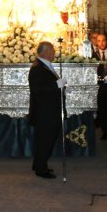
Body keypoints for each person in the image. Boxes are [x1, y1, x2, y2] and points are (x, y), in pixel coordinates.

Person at [28, 41, 65, 179]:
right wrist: (56, 84)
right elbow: (38, 89)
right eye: (52, 50)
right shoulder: (38, 68)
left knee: (46, 140)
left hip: (49, 111)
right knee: (45, 141)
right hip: (45, 113)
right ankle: (40, 169)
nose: (54, 52)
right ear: (45, 51)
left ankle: (39, 164)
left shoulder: (44, 66)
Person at [92, 34, 107, 140]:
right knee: (102, 111)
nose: (101, 43)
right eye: (99, 41)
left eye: (103, 40)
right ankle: (105, 131)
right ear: (96, 42)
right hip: (100, 87)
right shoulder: (93, 55)